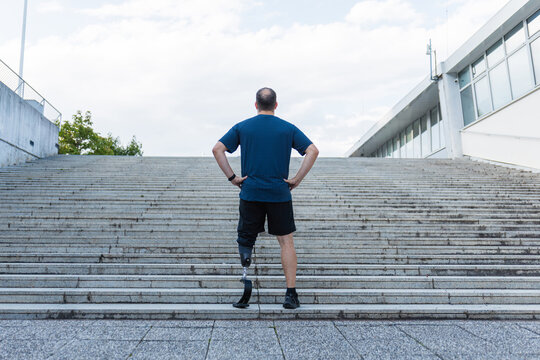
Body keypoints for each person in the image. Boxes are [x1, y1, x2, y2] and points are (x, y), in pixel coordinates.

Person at [212, 87, 319, 309]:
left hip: (251, 191)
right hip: (279, 192)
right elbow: (313, 151)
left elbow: (217, 149)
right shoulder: (287, 128)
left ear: (256, 104)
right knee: (286, 241)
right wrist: (297, 179)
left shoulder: (243, 127)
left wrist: (232, 177)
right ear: (276, 105)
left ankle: (245, 281)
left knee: (246, 239)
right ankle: (291, 294)